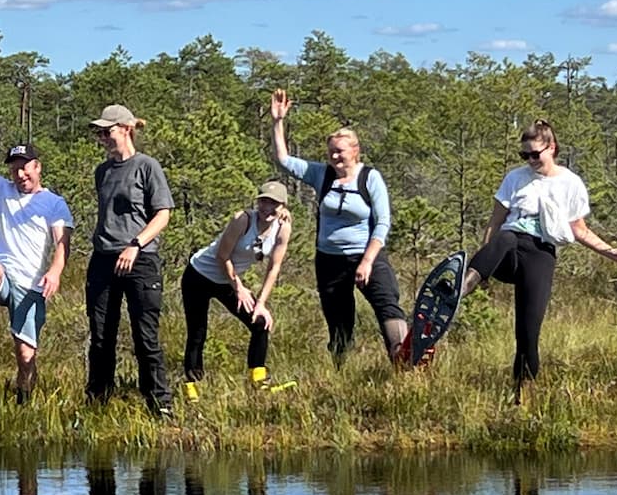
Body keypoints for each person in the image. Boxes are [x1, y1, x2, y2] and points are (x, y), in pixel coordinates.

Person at [460, 119, 617, 397]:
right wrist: (485, 259)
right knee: (505, 236)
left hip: (540, 254)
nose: (529, 160)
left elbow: (579, 230)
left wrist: (610, 251)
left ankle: (522, 394)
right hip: (507, 250)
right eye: (524, 155)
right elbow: (494, 222)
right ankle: (463, 286)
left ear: (551, 148)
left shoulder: (570, 183)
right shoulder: (515, 178)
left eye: (534, 154)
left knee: (527, 334)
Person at [270, 89, 407, 363]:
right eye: (331, 152)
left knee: (387, 308)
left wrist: (367, 262)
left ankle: (405, 362)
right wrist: (278, 121)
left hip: (367, 255)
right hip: (330, 260)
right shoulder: (322, 174)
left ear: (355, 152)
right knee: (339, 322)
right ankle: (340, 373)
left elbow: (382, 223)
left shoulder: (370, 178)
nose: (335, 157)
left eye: (340, 152)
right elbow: (283, 161)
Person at [0, 97, 72, 401]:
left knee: (25, 354)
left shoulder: (54, 202)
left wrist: (55, 271)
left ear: (37, 167)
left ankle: (24, 401)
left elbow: (62, 243)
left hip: (31, 285)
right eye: (15, 169)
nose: (20, 175)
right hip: (3, 278)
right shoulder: (3, 191)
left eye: (25, 168)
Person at [86, 104, 174, 416]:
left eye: (107, 132)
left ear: (126, 129)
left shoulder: (146, 166)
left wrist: (135, 244)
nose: (104, 138)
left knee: (145, 336)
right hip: (103, 260)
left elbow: (162, 215)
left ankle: (159, 403)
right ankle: (97, 402)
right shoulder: (103, 172)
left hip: (140, 260)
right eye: (100, 133)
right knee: (100, 337)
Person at [182, 181, 294, 389]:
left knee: (260, 323)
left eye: (273, 203)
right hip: (199, 275)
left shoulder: (283, 227)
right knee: (197, 332)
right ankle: (192, 385)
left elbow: (274, 267)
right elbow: (222, 256)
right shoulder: (242, 220)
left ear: (283, 206)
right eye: (263, 202)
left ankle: (258, 380)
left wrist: (260, 303)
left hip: (229, 281)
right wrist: (239, 288)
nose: (266, 208)